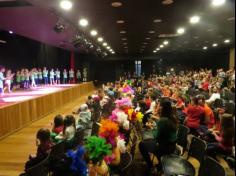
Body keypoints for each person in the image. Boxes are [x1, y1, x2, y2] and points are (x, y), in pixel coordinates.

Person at [139, 99, 178, 175]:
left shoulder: (163, 120)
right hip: (172, 145)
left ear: (163, 108)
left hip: (165, 147)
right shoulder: (172, 117)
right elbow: (163, 130)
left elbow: (156, 136)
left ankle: (151, 166)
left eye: (159, 105)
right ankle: (160, 164)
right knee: (149, 141)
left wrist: (151, 127)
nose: (158, 106)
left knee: (142, 144)